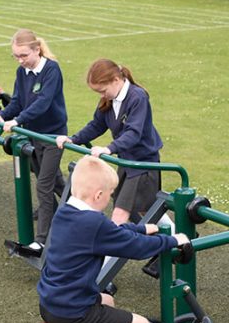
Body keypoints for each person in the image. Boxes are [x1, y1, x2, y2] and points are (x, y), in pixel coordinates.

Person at [38, 156, 190, 323]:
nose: (110, 200)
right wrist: (174, 240)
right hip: (74, 312)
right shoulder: (93, 223)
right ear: (98, 195)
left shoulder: (66, 211)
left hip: (51, 304)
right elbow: (136, 248)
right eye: (109, 194)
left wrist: (143, 228)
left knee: (107, 299)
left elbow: (114, 232)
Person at [0, 29, 68, 255]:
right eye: (16, 56)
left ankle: (41, 242)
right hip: (35, 134)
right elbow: (18, 102)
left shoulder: (51, 70)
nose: (20, 60)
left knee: (44, 185)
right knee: (57, 184)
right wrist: (2, 115)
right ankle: (87, 216)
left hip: (52, 135)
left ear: (36, 49)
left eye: (23, 55)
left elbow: (43, 102)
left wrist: (17, 120)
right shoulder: (22, 72)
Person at [56, 59, 163, 226]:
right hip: (125, 159)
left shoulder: (137, 97)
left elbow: (133, 132)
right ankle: (176, 237)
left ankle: (110, 252)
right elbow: (96, 125)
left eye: (103, 90)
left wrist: (109, 148)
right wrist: (73, 138)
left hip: (143, 162)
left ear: (116, 80)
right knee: (143, 209)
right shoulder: (109, 99)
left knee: (121, 214)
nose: (101, 95)